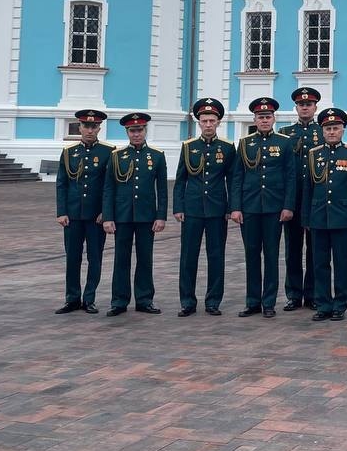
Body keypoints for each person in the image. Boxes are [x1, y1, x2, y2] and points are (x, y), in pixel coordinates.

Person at [230, 97, 297, 318]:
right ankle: (252, 302)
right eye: (261, 117)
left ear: (274, 118)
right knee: (251, 255)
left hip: (274, 208)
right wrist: (235, 208)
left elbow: (290, 177)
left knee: (270, 255)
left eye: (268, 117)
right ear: (255, 119)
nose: (265, 120)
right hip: (249, 208)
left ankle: (269, 302)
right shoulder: (245, 143)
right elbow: (237, 178)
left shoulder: (285, 142)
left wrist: (288, 206)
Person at [172, 98, 235, 317]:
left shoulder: (227, 148)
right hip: (192, 210)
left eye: (212, 120)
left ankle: (213, 301)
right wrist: (178, 207)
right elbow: (180, 179)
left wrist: (231, 207)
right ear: (198, 122)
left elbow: (232, 179)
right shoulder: (188, 147)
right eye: (204, 120)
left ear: (218, 122)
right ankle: (187, 301)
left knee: (216, 256)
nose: (208, 124)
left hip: (217, 210)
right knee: (188, 256)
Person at [102, 112, 167, 316]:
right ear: (127, 132)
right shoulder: (116, 156)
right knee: (121, 259)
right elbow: (109, 189)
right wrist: (108, 217)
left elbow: (163, 189)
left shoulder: (156, 155)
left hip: (146, 216)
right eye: (132, 130)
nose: (136, 134)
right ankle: (119, 301)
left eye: (139, 130)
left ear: (145, 130)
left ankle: (144, 299)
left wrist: (161, 216)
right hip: (122, 216)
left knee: (145, 258)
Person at [303, 107, 347, 320]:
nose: (331, 132)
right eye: (328, 128)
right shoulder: (314, 154)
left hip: (342, 218)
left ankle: (340, 304)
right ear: (322, 130)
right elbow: (307, 189)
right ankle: (323, 304)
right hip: (318, 217)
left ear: (343, 129)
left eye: (335, 128)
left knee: (341, 263)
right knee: (319, 263)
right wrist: (306, 217)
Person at [54, 108, 114, 315]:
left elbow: (109, 186)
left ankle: (89, 298)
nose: (90, 130)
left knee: (94, 258)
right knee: (73, 258)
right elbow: (62, 184)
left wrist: (106, 212)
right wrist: (61, 211)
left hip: (95, 217)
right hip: (72, 216)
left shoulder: (108, 152)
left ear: (99, 128)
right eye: (86, 126)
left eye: (94, 126)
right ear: (79, 127)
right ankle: (72, 298)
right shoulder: (69, 152)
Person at [279, 86, 323, 310]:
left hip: (316, 199)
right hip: (293, 199)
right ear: (296, 107)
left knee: (315, 249)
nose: (305, 107)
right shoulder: (286, 133)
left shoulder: (324, 131)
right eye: (301, 104)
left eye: (309, 104)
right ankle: (294, 294)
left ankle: (313, 294)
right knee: (293, 249)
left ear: (315, 107)